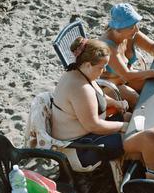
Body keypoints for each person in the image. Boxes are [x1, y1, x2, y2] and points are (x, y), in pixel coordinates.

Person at [51, 37, 130, 166]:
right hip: (78, 147)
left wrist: (116, 103)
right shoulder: (80, 88)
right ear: (88, 64)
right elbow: (94, 125)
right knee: (133, 139)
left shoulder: (80, 72)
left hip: (87, 133)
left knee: (129, 118)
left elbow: (98, 96)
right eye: (102, 67)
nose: (104, 71)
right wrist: (123, 127)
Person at [100, 3, 154, 108]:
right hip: (109, 87)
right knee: (136, 99)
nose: (137, 29)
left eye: (136, 24)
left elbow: (152, 46)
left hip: (127, 80)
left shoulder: (130, 33)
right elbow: (126, 75)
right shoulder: (107, 46)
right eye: (132, 27)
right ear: (118, 29)